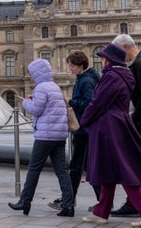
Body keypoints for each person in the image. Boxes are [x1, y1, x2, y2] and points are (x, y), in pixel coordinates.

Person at [80, 43, 141, 226]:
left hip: (108, 127)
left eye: (103, 57)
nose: (102, 60)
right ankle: (101, 212)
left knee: (122, 169)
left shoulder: (111, 76)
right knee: (109, 169)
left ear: (108, 59)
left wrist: (84, 120)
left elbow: (98, 102)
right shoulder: (126, 75)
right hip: (119, 123)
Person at [8, 59, 74, 217]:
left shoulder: (41, 88)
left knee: (33, 170)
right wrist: (34, 100)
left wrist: (25, 103)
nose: (30, 77)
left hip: (45, 136)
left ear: (38, 73)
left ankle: (25, 202)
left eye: (32, 74)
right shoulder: (55, 87)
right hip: (59, 136)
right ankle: (68, 205)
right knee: (62, 171)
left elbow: (36, 110)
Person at [109, 34, 141, 217]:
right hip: (140, 119)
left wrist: (135, 118)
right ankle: (133, 203)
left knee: (134, 159)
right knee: (135, 160)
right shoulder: (137, 63)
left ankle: (134, 204)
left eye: (120, 52)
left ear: (127, 47)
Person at [48, 51, 100, 211]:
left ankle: (69, 200)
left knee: (79, 166)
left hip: (84, 128)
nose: (69, 68)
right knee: (85, 165)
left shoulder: (86, 80)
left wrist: (70, 101)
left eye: (71, 65)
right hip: (86, 128)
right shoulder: (86, 78)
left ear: (79, 65)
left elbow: (90, 102)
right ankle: (99, 200)